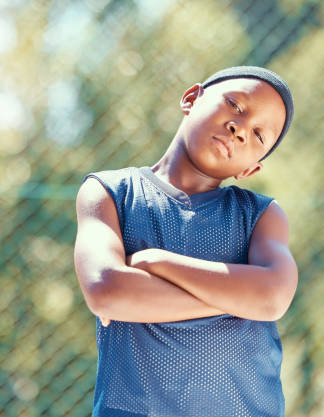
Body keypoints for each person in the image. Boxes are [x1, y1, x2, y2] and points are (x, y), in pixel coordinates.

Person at [73, 66, 298, 417]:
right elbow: (107, 290)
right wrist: (239, 296)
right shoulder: (110, 192)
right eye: (235, 105)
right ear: (191, 99)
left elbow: (272, 297)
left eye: (258, 135)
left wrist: (155, 262)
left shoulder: (261, 216)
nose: (240, 129)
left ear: (250, 169)